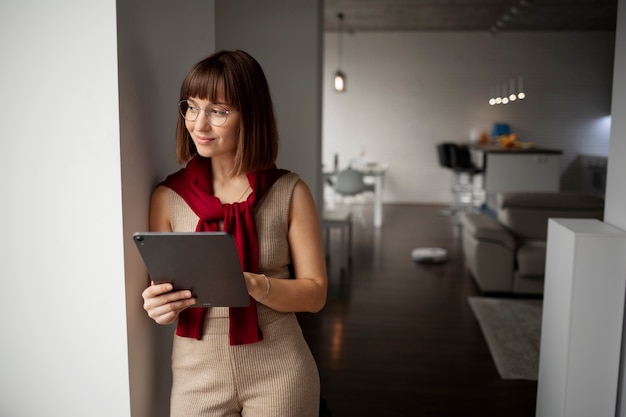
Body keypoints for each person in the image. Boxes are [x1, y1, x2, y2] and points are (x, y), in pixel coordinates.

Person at [141, 50, 327, 417]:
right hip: (197, 374)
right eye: (191, 107)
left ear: (250, 115)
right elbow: (165, 293)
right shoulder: (168, 197)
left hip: (281, 370)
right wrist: (158, 308)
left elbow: (315, 294)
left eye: (218, 111)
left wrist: (253, 285)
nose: (198, 124)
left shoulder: (290, 191)